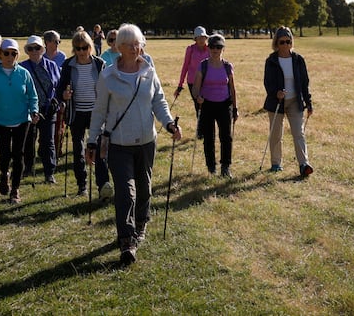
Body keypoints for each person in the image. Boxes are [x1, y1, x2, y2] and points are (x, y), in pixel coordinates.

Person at [87, 23, 182, 266]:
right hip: (118, 143)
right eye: (130, 45)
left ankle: (141, 222)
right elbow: (98, 112)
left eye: (138, 43)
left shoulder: (149, 71)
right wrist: (91, 141)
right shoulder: (108, 75)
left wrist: (169, 124)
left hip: (146, 142)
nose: (135, 48)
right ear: (119, 48)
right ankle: (126, 240)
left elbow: (159, 101)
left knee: (144, 189)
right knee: (126, 192)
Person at [0, 38, 40, 203]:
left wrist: (34, 110)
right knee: (4, 155)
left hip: (22, 120)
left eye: (13, 53)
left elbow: (32, 96)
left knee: (18, 155)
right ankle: (4, 174)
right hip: (0, 121)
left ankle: (15, 189)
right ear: (0, 54)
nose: (10, 56)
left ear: (17, 55)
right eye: (6, 53)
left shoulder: (24, 73)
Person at [56, 30, 107, 198]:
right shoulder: (68, 65)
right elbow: (59, 90)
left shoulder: (99, 64)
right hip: (76, 113)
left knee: (99, 149)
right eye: (78, 49)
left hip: (96, 113)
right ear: (74, 49)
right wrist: (64, 95)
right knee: (78, 150)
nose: (82, 52)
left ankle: (102, 185)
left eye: (85, 48)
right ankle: (82, 186)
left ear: (90, 47)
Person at [264, 26, 314, 177]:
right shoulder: (271, 60)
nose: (285, 45)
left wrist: (309, 103)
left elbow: (304, 83)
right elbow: (267, 82)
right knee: (276, 134)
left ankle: (303, 164)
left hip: (295, 101)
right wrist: (276, 93)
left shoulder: (298, 60)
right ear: (276, 43)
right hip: (276, 102)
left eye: (288, 41)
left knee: (299, 133)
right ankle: (276, 164)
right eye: (282, 42)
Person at [191, 33, 238, 177]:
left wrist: (235, 108)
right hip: (207, 105)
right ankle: (211, 167)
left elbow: (232, 88)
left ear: (223, 48)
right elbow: (195, 88)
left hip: (224, 105)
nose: (215, 49)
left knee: (226, 137)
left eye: (218, 47)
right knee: (209, 138)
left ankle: (225, 167)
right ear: (208, 48)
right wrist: (197, 97)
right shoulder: (203, 65)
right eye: (212, 46)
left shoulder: (228, 66)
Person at [19, 35, 60, 184]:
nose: (34, 51)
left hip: (48, 109)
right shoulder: (22, 67)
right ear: (27, 51)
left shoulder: (52, 66)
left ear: (42, 49)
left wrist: (59, 101)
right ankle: (28, 167)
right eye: (31, 48)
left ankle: (49, 172)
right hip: (28, 110)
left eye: (37, 48)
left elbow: (58, 86)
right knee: (28, 140)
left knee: (47, 141)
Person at [175, 26, 210, 117]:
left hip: (207, 81)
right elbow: (185, 66)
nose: (201, 40)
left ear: (206, 38)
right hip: (193, 82)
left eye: (203, 38)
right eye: (199, 38)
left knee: (207, 105)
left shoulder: (210, 49)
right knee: (198, 105)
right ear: (195, 39)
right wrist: (180, 84)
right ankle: (200, 127)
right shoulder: (190, 49)